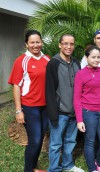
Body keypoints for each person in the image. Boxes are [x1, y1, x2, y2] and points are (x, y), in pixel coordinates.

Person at [8, 30, 50, 172]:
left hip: (45, 107)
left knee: (39, 140)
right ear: (26, 44)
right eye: (32, 42)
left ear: (42, 43)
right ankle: (28, 169)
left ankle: (33, 167)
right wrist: (19, 110)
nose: (35, 45)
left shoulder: (47, 59)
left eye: (38, 42)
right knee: (35, 140)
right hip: (30, 106)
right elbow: (16, 86)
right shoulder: (21, 61)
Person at [46, 34, 84, 172]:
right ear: (59, 45)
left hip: (74, 112)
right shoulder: (53, 63)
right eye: (65, 43)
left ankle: (67, 165)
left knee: (70, 141)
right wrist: (52, 113)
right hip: (59, 112)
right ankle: (54, 168)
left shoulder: (76, 63)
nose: (69, 47)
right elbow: (49, 90)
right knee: (56, 144)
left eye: (71, 44)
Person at [74, 45, 100, 172]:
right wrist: (79, 120)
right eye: (93, 57)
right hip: (88, 112)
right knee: (90, 141)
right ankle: (92, 169)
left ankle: (99, 162)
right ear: (86, 57)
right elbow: (77, 98)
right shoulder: (81, 74)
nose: (96, 59)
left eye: (98, 57)